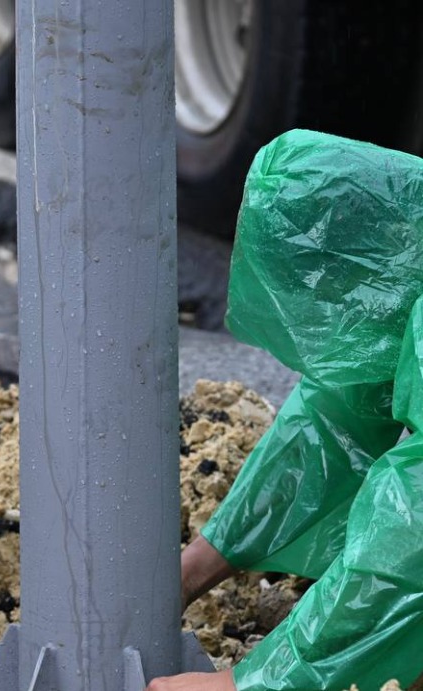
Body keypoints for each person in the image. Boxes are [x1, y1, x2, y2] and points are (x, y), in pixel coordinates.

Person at [149, 129, 423, 690]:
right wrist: (202, 561)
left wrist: (252, 683)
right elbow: (335, 421)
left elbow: (414, 532)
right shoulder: (405, 263)